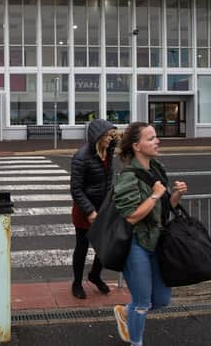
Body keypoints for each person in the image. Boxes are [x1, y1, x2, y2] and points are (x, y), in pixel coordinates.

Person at [112, 122, 188, 346]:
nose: (157, 141)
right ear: (137, 146)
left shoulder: (157, 168)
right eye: (151, 138)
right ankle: (136, 341)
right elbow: (132, 216)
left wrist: (175, 196)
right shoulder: (128, 177)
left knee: (162, 300)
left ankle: (125, 312)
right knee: (143, 302)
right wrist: (155, 195)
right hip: (136, 244)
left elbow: (163, 209)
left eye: (156, 137)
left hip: (157, 241)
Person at [70, 119, 119, 299]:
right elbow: (76, 189)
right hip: (85, 211)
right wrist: (90, 211)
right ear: (97, 137)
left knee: (104, 246)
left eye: (110, 136)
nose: (109, 139)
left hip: (103, 207)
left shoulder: (108, 152)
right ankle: (76, 283)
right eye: (106, 136)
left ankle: (95, 275)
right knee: (82, 247)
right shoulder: (81, 157)